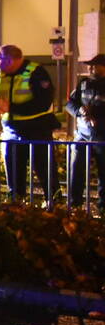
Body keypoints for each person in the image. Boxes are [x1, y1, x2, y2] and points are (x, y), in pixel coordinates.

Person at [0, 45, 60, 203]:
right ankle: (16, 207)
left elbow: (43, 102)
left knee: (46, 173)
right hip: (11, 132)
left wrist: (11, 108)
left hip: (37, 131)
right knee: (14, 177)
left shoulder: (36, 72)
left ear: (9, 60)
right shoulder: (3, 74)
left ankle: (54, 207)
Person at [65, 53, 105, 210]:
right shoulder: (83, 83)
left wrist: (95, 113)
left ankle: (102, 209)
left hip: (102, 134)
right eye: (90, 65)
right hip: (82, 134)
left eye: (95, 65)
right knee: (76, 170)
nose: (91, 68)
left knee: (103, 173)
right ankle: (75, 205)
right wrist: (80, 110)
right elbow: (70, 104)